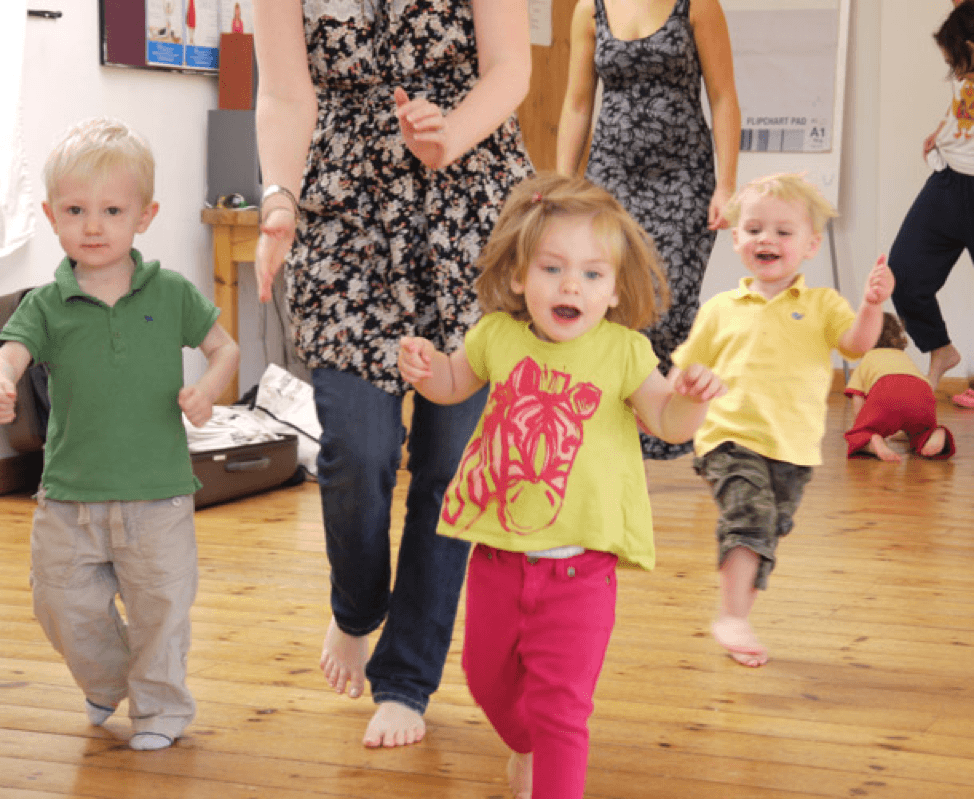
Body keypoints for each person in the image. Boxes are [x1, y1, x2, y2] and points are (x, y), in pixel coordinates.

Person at [251, 0, 534, 748]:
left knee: (447, 466)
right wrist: (279, 199)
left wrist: (452, 133)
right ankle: (357, 608)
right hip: (346, 215)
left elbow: (510, 67)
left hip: (469, 208)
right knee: (359, 448)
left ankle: (407, 679)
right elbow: (285, 92)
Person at [398, 173, 726, 799]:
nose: (572, 284)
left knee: (563, 713)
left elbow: (666, 422)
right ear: (520, 276)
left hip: (581, 574)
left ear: (613, 289)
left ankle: (548, 765)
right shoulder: (496, 336)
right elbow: (451, 384)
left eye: (592, 275)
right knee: (484, 680)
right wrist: (426, 370)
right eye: (553, 268)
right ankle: (526, 747)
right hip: (497, 561)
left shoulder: (625, 352)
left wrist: (689, 401)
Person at [0, 118, 239, 749]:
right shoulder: (46, 304)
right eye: (77, 210)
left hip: (157, 496)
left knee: (162, 611)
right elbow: (13, 351)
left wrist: (207, 390)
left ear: (145, 215)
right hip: (69, 496)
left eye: (112, 210)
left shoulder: (172, 292)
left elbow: (225, 348)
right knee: (58, 604)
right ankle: (108, 678)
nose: (94, 226)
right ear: (51, 215)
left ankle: (160, 711)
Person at [672, 173, 895, 668]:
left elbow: (858, 344)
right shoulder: (719, 309)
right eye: (753, 229)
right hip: (728, 438)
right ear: (736, 239)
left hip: (793, 450)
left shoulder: (822, 306)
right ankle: (733, 617)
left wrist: (872, 305)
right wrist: (685, 384)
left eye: (783, 232)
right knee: (747, 518)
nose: (766, 239)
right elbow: (684, 365)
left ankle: (738, 624)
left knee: (764, 536)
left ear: (811, 245)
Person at [556, 0, 741, 461]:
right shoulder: (589, 10)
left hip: (683, 176)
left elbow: (723, 97)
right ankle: (608, 429)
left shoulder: (697, 5)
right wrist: (561, 185)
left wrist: (727, 185)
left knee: (667, 303)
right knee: (608, 302)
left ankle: (664, 422)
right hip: (611, 176)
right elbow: (579, 103)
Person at [889, 0, 974, 393]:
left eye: (958, 61)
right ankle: (940, 349)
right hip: (949, 182)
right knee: (904, 274)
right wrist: (946, 128)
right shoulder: (964, 23)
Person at [844, 312, 955, 462]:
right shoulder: (902, 356)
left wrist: (862, 428)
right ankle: (933, 434)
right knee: (920, 431)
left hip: (887, 391)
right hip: (923, 393)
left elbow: (858, 399)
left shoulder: (868, 359)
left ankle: (872, 442)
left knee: (857, 436)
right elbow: (914, 385)